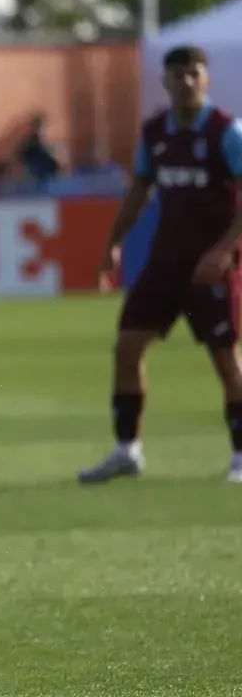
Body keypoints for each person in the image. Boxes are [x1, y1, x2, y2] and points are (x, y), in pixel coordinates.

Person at [81, 45, 242, 484]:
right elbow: (140, 190)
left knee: (226, 360)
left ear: (206, 78)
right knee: (127, 348)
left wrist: (225, 250)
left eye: (194, 73)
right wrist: (113, 243)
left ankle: (240, 456)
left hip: (211, 267)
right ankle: (126, 450)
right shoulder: (154, 133)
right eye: (178, 75)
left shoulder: (227, 132)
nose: (186, 82)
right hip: (164, 263)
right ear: (165, 82)